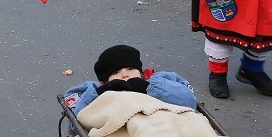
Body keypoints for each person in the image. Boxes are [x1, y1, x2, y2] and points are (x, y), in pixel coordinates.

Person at [62, 44, 196, 116]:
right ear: (106, 80)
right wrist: (103, 92)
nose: (125, 75)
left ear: (141, 71)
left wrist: (148, 88)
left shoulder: (161, 80)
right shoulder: (94, 89)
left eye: (130, 68)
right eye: (116, 72)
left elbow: (190, 101)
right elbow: (76, 113)